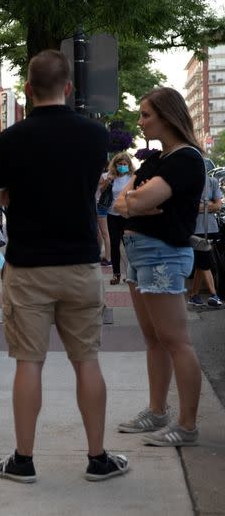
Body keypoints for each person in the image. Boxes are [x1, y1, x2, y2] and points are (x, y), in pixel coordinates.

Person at [0, 50, 128, 483]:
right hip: (81, 262)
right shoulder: (94, 136)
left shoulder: (8, 140)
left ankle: (24, 461)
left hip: (28, 265)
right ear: (68, 88)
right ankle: (97, 457)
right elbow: (90, 189)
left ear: (28, 90)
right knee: (87, 360)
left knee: (29, 362)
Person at [112, 87, 206, 448]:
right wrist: (134, 203)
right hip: (138, 252)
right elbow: (121, 201)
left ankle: (186, 425)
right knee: (154, 339)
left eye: (146, 115)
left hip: (163, 252)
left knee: (176, 341)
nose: (140, 121)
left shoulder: (186, 159)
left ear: (167, 116)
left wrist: (135, 202)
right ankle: (157, 411)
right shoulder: (155, 161)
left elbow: (139, 199)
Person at [187, 174, 224, 307]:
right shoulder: (187, 181)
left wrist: (201, 206)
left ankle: (194, 295)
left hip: (211, 228)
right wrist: (209, 204)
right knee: (205, 260)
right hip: (195, 229)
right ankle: (214, 295)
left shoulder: (212, 181)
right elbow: (187, 207)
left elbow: (218, 205)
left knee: (201, 262)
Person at [105, 153, 136, 285]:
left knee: (128, 245)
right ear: (115, 165)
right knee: (114, 245)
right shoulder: (111, 177)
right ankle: (116, 274)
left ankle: (131, 274)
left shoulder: (132, 178)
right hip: (112, 215)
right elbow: (101, 191)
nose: (122, 166)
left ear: (129, 165)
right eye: (120, 164)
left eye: (124, 164)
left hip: (126, 215)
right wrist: (108, 181)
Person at [95, 171, 113, 267]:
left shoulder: (104, 176)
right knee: (99, 233)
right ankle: (100, 255)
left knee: (104, 233)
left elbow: (101, 189)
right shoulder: (105, 175)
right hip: (97, 205)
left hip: (100, 205)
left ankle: (108, 258)